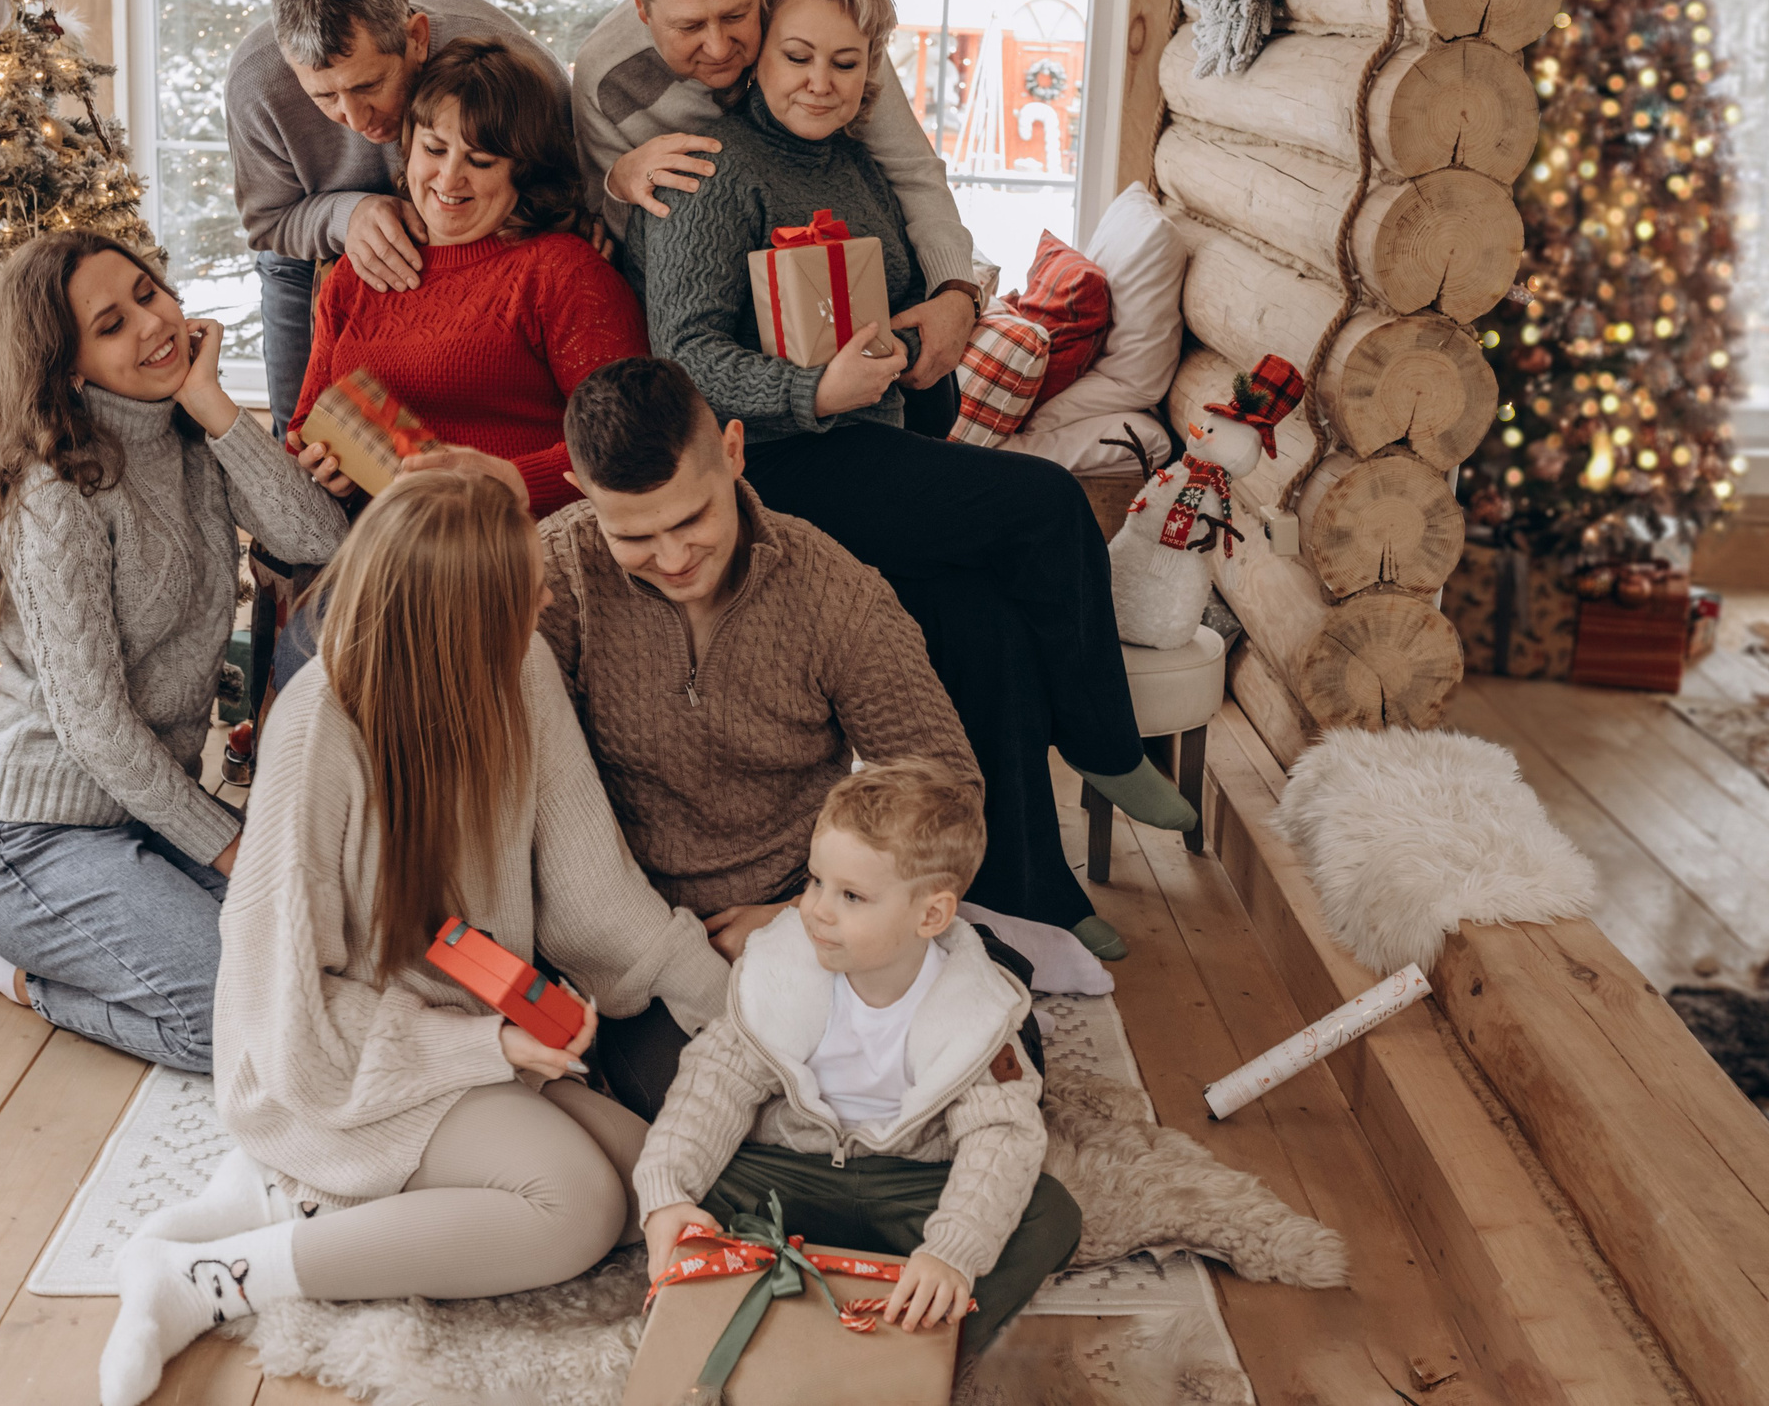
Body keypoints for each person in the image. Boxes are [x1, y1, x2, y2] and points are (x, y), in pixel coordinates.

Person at [98, 471, 730, 1406]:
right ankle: (218, 1275)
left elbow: (594, 895)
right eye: (527, 589)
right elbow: (285, 1004)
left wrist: (745, 1017)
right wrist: (479, 1045)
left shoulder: (519, 668)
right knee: (578, 1206)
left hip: (472, 1039)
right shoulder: (321, 726)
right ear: (462, 617)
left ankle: (291, 1195)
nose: (548, 598)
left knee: (658, 1175)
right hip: (339, 1059)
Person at [629, 0, 1201, 960]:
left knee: (986, 632)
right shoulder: (709, 166)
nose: (819, 81)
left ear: (870, 71)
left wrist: (932, 320)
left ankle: (1036, 893)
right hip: (779, 467)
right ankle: (1109, 743)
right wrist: (811, 391)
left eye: (845, 64)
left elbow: (908, 280)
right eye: (798, 55)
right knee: (1047, 504)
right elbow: (685, 356)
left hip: (875, 451)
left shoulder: (858, 166)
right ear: (757, 51)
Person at [0, 230, 348, 1071]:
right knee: (241, 1023)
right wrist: (229, 843)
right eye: (112, 323)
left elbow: (320, 539)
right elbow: (92, 724)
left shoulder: (192, 437)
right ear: (70, 363)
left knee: (315, 961)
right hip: (26, 839)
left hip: (137, 819)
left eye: (149, 293)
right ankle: (11, 970)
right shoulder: (56, 489)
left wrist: (216, 407)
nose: (154, 325)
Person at [540, 355, 981, 1115]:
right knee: (720, 1113)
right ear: (585, 496)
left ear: (735, 452)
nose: (674, 559)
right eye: (636, 536)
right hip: (638, 943)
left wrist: (804, 913)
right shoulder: (558, 572)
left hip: (806, 912)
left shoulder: (835, 592)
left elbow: (946, 788)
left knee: (986, 1048)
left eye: (691, 518)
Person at [634, 759, 1082, 1358]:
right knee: (681, 1182)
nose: (818, 909)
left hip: (912, 1185)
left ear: (931, 915)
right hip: (795, 1172)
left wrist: (951, 1251)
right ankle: (759, 1319)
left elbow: (1001, 1137)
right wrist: (669, 1193)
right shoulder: (778, 976)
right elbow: (713, 1083)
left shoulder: (977, 1014)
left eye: (851, 895)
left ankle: (918, 1346)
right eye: (816, 882)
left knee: (1048, 1214)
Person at [570, 0, 984, 436]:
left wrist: (958, 294)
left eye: (737, 16)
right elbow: (627, 243)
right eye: (690, 26)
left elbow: (913, 170)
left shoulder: (819, 29)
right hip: (750, 397)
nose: (718, 48)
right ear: (642, 6)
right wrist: (619, 181)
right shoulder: (606, 78)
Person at [285, 37, 648, 519]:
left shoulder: (562, 272)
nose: (449, 179)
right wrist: (320, 466)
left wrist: (514, 482)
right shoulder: (358, 272)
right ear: (408, 148)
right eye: (434, 149)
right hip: (386, 548)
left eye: (480, 161)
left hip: (515, 546)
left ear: (522, 170)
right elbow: (304, 427)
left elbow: (632, 438)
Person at [229, 0, 570, 429]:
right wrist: (349, 216)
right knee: (300, 439)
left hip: (475, 232)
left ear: (417, 37)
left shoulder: (508, 60)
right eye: (324, 97)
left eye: (369, 86)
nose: (353, 119)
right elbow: (267, 223)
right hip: (305, 258)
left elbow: (560, 176)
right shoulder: (256, 84)